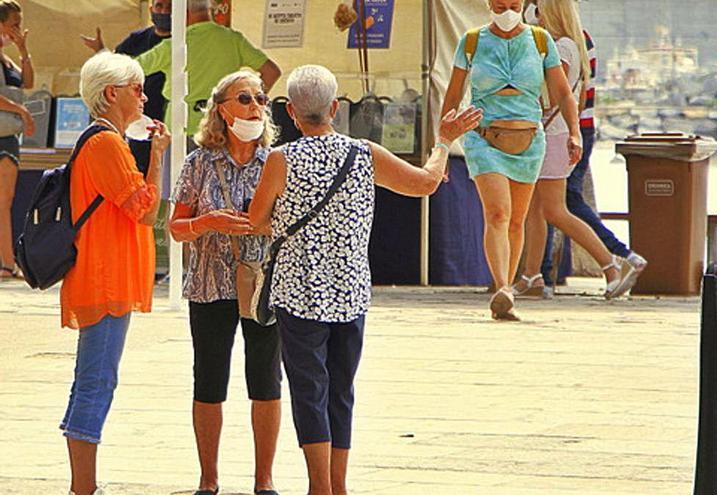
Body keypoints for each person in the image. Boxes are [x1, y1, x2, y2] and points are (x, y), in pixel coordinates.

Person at [248, 64, 481, 495]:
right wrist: (444, 140)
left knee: (308, 389)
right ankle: (339, 485)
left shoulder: (280, 161)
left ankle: (318, 486)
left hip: (298, 295)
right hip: (350, 294)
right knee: (342, 390)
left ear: (290, 112)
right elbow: (427, 183)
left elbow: (257, 219)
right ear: (335, 108)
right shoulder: (364, 154)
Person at [60, 51, 170, 495]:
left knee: (95, 377)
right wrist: (157, 156)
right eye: (137, 88)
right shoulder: (106, 142)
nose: (144, 97)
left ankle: (83, 485)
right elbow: (145, 211)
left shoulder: (107, 140)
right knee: (96, 380)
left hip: (105, 276)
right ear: (111, 93)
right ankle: (82, 488)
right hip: (104, 279)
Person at [168, 70, 282, 495]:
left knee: (266, 380)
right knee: (209, 380)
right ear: (221, 109)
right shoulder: (198, 162)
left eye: (260, 99)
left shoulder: (276, 159)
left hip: (262, 283)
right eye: (245, 98)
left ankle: (264, 479)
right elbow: (176, 227)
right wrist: (208, 222)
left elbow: (289, 223)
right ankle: (208, 479)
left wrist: (258, 225)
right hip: (209, 284)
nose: (255, 106)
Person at [441, 0, 582, 320]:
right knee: (498, 213)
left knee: (518, 220)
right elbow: (453, 94)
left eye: (513, 5)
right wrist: (443, 141)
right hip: (483, 138)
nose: (506, 11)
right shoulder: (473, 40)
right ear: (490, 4)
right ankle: (503, 287)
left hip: (530, 141)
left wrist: (575, 132)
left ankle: (507, 291)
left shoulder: (540, 40)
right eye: (500, 5)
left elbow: (563, 93)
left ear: (523, 6)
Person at [514, 0, 641, 299]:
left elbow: (550, 91)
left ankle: (611, 265)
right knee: (535, 210)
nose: (536, 13)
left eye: (540, 9)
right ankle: (532, 276)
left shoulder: (561, 48)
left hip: (551, 136)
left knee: (556, 210)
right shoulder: (570, 44)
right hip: (547, 135)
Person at [137, 0, 282, 141]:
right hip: (223, 124)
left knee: (178, 166)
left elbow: (130, 69)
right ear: (211, 10)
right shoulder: (233, 40)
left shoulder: (174, 45)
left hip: (181, 128)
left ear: (183, 13)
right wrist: (248, 101)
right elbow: (272, 72)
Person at [80, 0, 172, 173]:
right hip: (135, 122)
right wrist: (102, 51)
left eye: (170, 8)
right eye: (160, 6)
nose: (164, 12)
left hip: (165, 120)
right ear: (151, 9)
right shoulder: (137, 40)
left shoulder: (181, 43)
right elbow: (112, 66)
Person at [0, 0, 33, 280]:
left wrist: (23, 51)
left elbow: (28, 82)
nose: (17, 30)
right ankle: (6, 263)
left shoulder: (6, 59)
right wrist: (22, 110)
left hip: (8, 136)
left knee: (4, 202)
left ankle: (7, 263)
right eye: (13, 25)